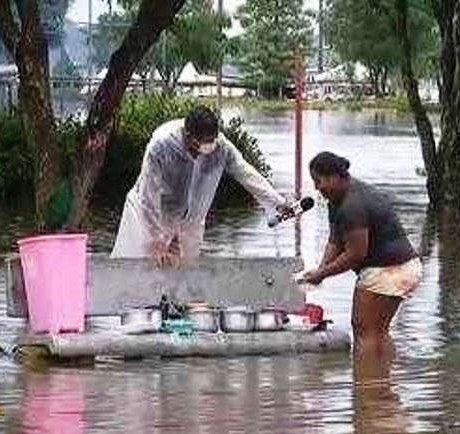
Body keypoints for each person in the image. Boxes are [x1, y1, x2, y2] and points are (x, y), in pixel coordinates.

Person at [110, 106, 289, 266]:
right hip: (149, 218)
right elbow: (149, 197)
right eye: (196, 148)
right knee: (138, 272)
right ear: (188, 136)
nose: (200, 154)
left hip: (190, 222)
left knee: (184, 282)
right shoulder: (161, 145)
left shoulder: (221, 147)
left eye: (209, 144)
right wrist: (156, 242)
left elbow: (246, 173)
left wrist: (277, 201)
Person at [299, 152, 422, 346]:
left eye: (318, 180)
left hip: (389, 270)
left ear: (334, 177)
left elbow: (355, 254)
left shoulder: (352, 205)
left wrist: (323, 274)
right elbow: (335, 241)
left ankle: (367, 377)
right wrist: (320, 270)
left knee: (364, 331)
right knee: (377, 332)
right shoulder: (337, 199)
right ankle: (380, 376)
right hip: (403, 267)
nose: (316, 187)